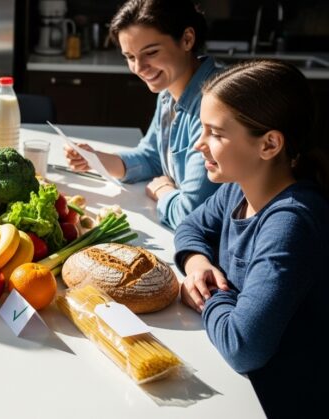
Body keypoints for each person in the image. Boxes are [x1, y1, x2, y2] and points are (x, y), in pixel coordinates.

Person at [174, 60, 329, 417]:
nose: (199, 145)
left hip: (274, 401)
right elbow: (191, 228)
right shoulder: (238, 190)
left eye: (216, 133)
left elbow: (243, 346)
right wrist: (197, 264)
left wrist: (203, 296)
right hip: (241, 387)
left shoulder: (291, 224)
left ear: (270, 144)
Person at [64, 0, 219, 229]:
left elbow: (192, 214)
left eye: (151, 52)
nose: (139, 68)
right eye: (130, 57)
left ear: (187, 39)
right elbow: (152, 157)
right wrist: (97, 159)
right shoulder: (170, 91)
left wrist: (163, 191)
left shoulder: (215, 103)